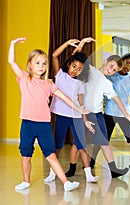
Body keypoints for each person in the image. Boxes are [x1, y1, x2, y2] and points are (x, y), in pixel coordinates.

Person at [8, 37, 86, 191]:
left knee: (51, 155)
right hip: (27, 124)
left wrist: (80, 109)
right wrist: (12, 44)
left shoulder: (49, 84)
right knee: (26, 155)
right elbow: (11, 62)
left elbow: (65, 98)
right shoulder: (24, 78)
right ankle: (26, 181)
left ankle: (66, 183)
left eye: (44, 63)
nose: (41, 66)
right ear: (29, 65)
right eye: (37, 63)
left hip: (43, 125)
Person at [64, 37, 130, 178]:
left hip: (97, 115)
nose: (111, 70)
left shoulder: (107, 84)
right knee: (78, 143)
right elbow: (74, 58)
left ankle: (113, 170)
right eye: (111, 65)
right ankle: (71, 168)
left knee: (104, 143)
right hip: (82, 113)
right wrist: (82, 44)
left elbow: (117, 99)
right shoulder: (90, 70)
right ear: (106, 61)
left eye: (114, 70)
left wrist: (126, 115)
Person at [44, 38, 98, 183]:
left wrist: (85, 119)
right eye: (74, 66)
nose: (75, 71)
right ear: (68, 65)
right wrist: (68, 44)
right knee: (57, 146)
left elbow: (81, 102)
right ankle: (52, 173)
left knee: (81, 146)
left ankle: (88, 175)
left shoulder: (80, 83)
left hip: (76, 117)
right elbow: (55, 56)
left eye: (80, 69)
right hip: (61, 116)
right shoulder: (60, 75)